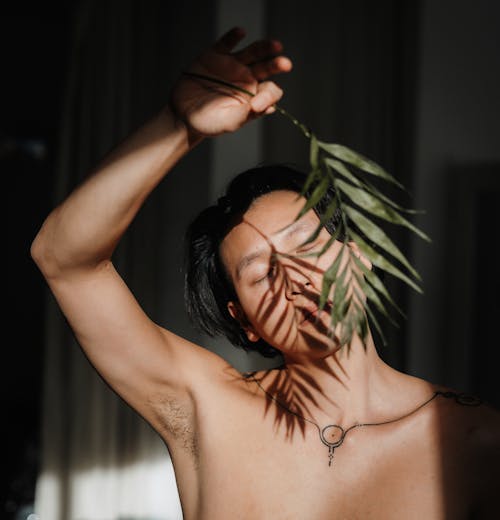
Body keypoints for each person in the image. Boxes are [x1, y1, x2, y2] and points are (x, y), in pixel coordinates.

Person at [31, 26, 499, 519]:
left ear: (358, 259)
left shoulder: (473, 441)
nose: (295, 277)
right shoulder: (209, 409)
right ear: (245, 319)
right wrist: (177, 127)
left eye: (308, 245)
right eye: (261, 274)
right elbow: (63, 257)